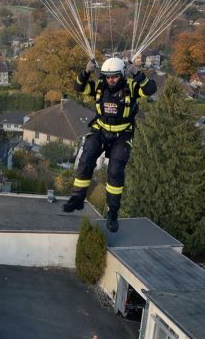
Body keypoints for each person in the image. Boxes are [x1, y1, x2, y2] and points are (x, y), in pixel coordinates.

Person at [63, 56, 157, 233]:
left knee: (115, 171)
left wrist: (136, 73)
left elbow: (151, 89)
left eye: (114, 76)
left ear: (121, 74)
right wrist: (86, 71)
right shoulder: (100, 87)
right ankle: (77, 198)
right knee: (86, 158)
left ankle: (112, 212)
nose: (110, 80)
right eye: (107, 76)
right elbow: (79, 87)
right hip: (101, 130)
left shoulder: (131, 88)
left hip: (122, 134)